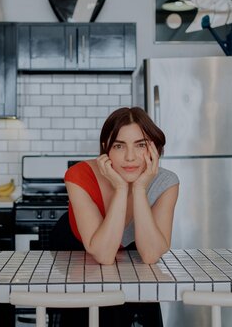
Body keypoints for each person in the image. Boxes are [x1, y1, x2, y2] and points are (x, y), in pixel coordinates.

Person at [49, 106, 179, 327]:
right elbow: (104, 254)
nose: (130, 157)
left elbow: (149, 255)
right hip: (79, 254)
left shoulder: (166, 183)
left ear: (154, 150)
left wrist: (139, 189)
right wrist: (120, 189)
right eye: (119, 146)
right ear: (105, 149)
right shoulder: (79, 175)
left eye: (140, 145)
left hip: (133, 261)